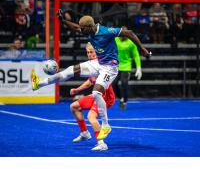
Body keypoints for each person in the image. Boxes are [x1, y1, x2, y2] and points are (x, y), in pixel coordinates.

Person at [31, 9, 152, 140]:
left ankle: (106, 125)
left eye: (83, 29)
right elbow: (76, 27)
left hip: (110, 68)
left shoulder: (106, 31)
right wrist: (63, 21)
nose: (81, 31)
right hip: (98, 63)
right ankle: (39, 84)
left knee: (96, 93)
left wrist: (143, 50)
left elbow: (130, 33)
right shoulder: (87, 29)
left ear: (90, 27)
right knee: (70, 71)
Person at [70, 42, 115, 151]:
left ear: (97, 52)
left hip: (106, 97)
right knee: (74, 106)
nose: (89, 54)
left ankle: (102, 143)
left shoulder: (103, 65)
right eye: (88, 52)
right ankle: (85, 133)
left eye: (92, 52)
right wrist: (77, 89)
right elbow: (90, 81)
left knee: (91, 116)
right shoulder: (92, 65)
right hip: (97, 95)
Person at [113, 27, 142, 110]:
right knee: (113, 84)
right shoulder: (115, 40)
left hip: (126, 66)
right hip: (116, 66)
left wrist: (138, 68)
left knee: (124, 83)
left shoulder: (131, 43)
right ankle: (121, 97)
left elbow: (136, 56)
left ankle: (124, 101)